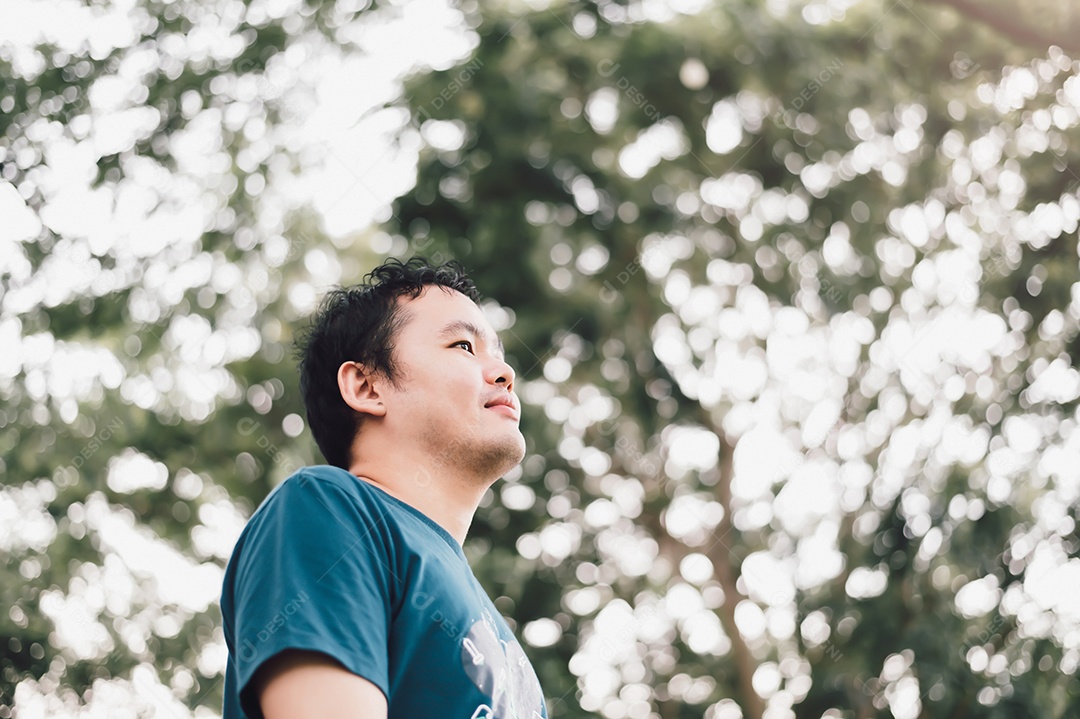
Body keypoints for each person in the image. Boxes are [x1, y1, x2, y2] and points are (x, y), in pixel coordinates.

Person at [219, 257, 548, 719]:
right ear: (367, 386)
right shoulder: (326, 511)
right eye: (463, 345)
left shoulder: (501, 637)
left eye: (498, 352)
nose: (503, 372)